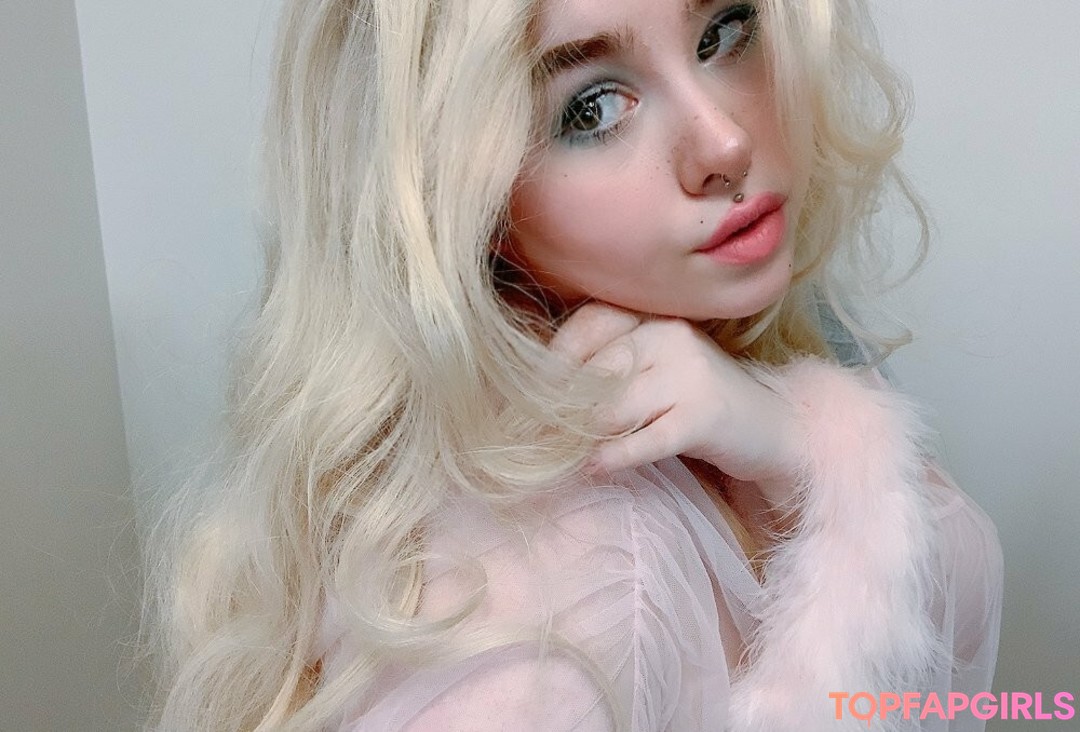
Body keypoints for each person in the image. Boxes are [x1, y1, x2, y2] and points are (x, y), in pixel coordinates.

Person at [146, 0, 1003, 729]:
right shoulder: (569, 600)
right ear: (461, 201)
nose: (726, 142)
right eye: (591, 109)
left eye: (722, 31)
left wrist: (804, 450)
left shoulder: (733, 360)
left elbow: (947, 616)